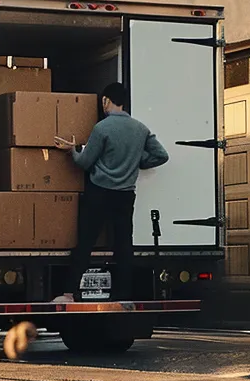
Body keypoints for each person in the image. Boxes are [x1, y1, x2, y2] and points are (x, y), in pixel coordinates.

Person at [53, 83, 169, 302]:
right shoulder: (140, 128)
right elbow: (161, 156)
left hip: (99, 193)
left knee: (86, 243)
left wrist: (72, 150)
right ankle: (123, 294)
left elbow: (85, 163)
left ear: (106, 100)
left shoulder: (102, 128)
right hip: (125, 195)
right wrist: (138, 161)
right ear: (123, 101)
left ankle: (70, 292)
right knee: (124, 245)